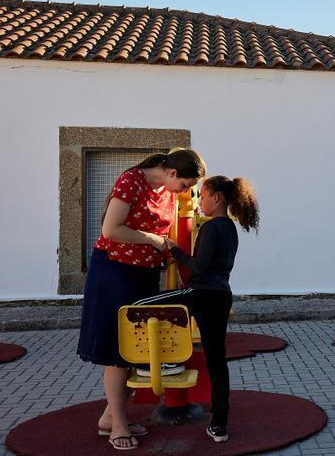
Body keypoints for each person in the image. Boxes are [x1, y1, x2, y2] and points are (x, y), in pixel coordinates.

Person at [77, 148, 206, 451]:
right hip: (114, 271)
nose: (185, 192)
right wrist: (155, 240)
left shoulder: (165, 190)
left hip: (143, 273)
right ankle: (117, 425)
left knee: (135, 349)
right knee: (117, 350)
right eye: (185, 185)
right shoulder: (131, 181)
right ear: (172, 173)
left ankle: (111, 416)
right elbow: (111, 229)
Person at [132, 175, 260, 443]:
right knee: (217, 361)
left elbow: (199, 267)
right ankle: (219, 425)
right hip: (222, 295)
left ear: (217, 198)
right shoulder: (231, 228)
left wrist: (174, 249)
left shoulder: (212, 228)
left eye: (202, 195)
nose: (199, 200)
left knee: (138, 308)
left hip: (200, 292)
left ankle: (159, 362)